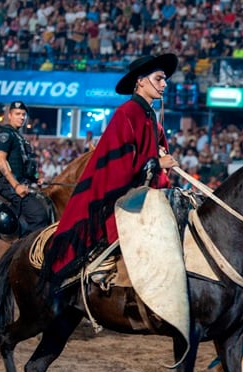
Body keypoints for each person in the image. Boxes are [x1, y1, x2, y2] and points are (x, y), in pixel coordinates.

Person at [43, 53, 180, 289]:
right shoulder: (126, 113)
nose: (164, 84)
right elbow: (120, 168)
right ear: (141, 81)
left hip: (141, 190)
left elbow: (149, 154)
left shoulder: (150, 117)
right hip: (118, 192)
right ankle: (102, 261)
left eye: (164, 79)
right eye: (159, 79)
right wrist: (158, 164)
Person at [0, 100, 48, 234]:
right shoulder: (6, 134)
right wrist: (16, 186)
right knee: (39, 215)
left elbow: (21, 166)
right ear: (10, 115)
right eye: (18, 114)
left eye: (23, 114)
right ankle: (28, 252)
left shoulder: (19, 137)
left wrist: (35, 179)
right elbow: (0, 161)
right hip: (7, 185)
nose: (21, 117)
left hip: (17, 182)